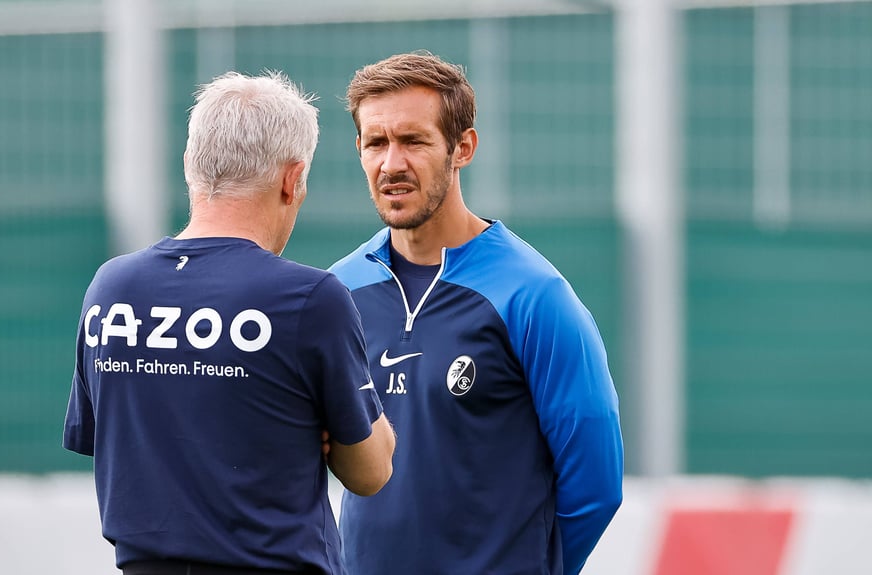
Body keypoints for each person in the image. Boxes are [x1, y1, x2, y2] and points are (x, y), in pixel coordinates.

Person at [63, 70, 395, 575]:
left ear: (189, 166)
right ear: (291, 179)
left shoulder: (111, 289)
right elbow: (370, 471)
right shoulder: (309, 299)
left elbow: (113, 439)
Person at [328, 51, 624, 575]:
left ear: (462, 147)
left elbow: (595, 484)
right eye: (376, 142)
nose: (392, 164)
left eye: (413, 141)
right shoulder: (338, 291)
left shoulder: (534, 294)